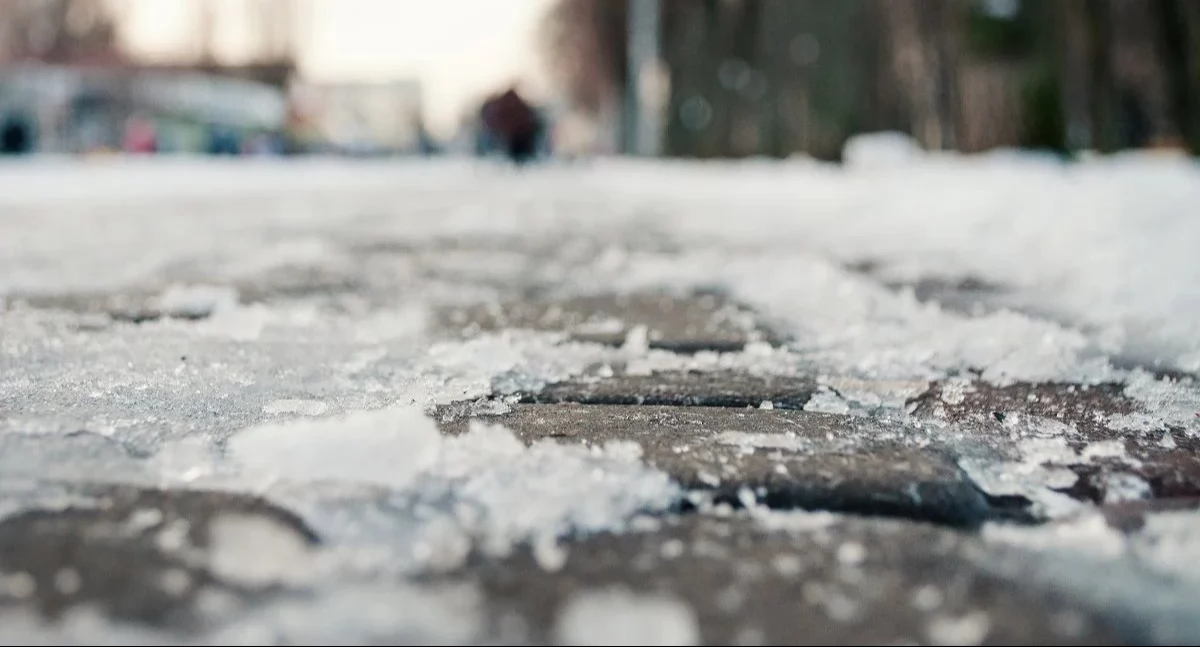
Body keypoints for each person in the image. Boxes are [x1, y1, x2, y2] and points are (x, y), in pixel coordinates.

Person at [480, 86, 540, 165]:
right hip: (518, 137)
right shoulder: (516, 105)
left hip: (518, 137)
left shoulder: (508, 106)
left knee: (519, 159)